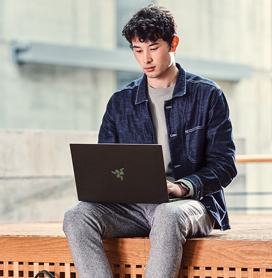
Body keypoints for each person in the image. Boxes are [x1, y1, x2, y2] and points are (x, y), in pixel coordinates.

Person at [63, 4, 237, 278]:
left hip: (190, 204)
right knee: (76, 215)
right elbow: (106, 166)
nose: (146, 58)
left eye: (153, 47)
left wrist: (182, 187)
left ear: (173, 43)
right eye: (137, 49)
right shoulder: (120, 102)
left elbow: (225, 165)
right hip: (133, 207)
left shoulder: (207, 95)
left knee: (167, 217)